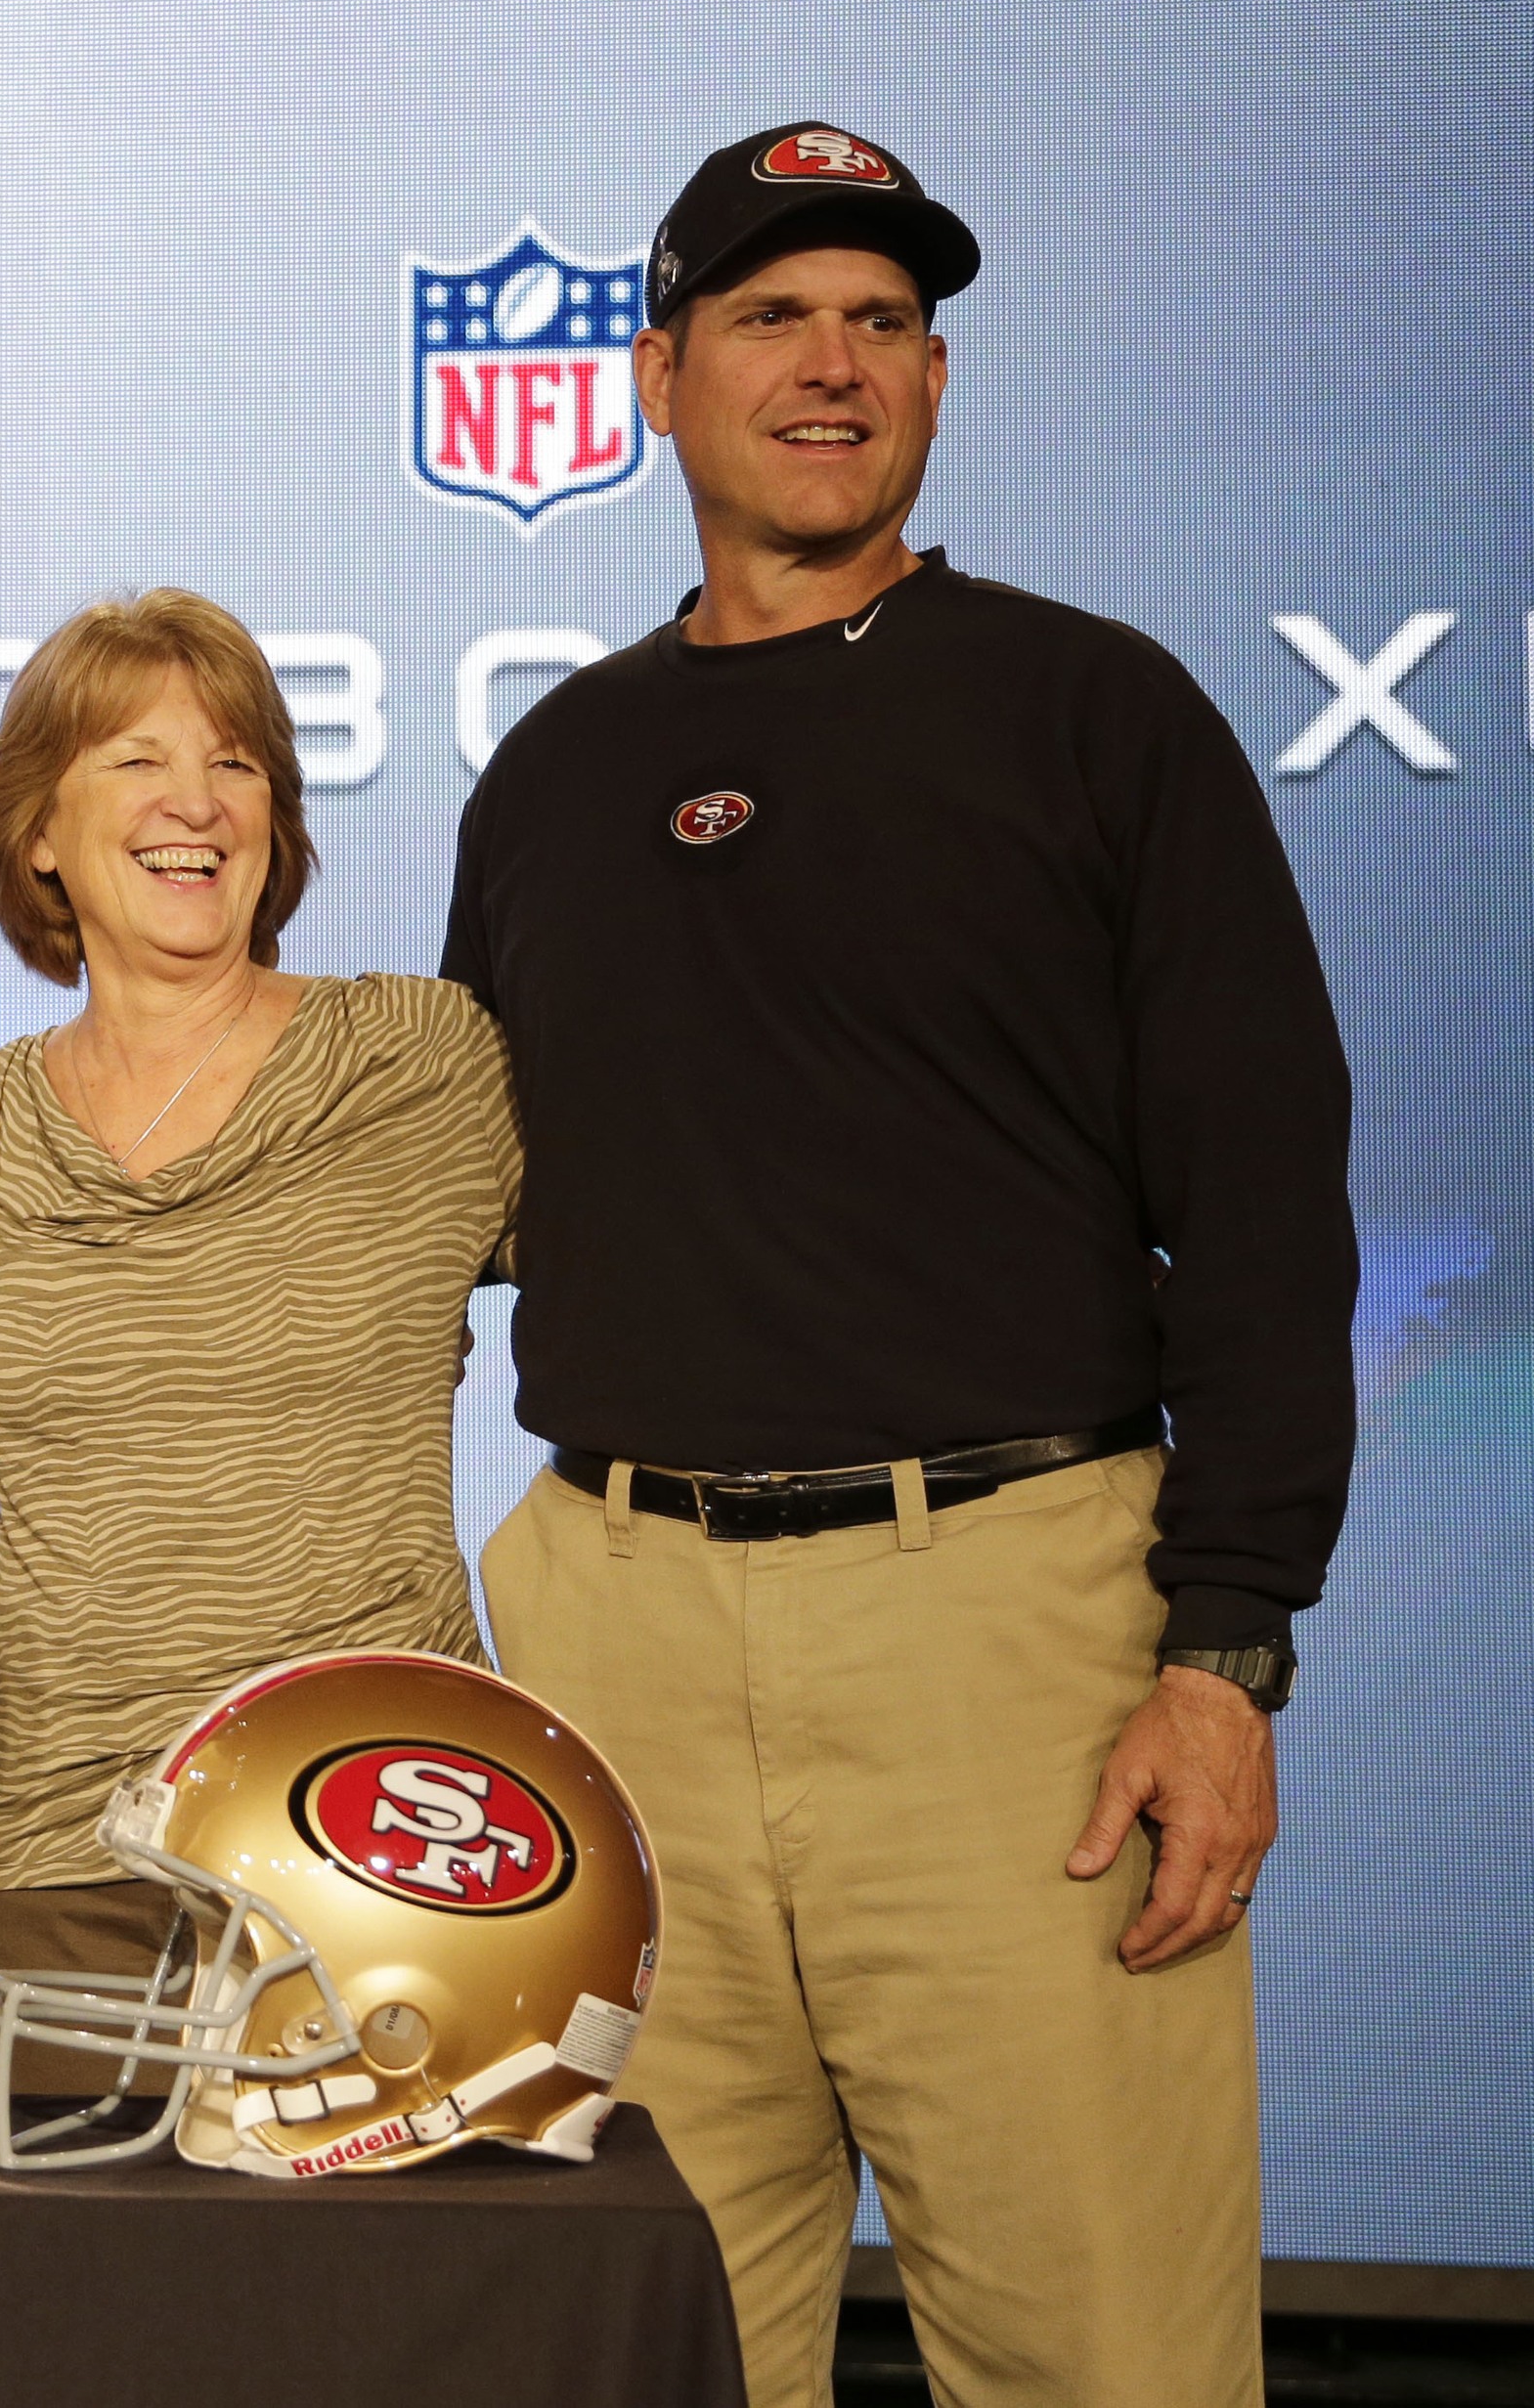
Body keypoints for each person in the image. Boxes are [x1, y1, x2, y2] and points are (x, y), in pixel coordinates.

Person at [446, 122, 1352, 2408]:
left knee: (1102, 2357)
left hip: (1010, 1624)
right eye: (772, 316)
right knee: (637, 2344)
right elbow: (446, 1200)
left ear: (936, 381)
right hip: (613, 1629)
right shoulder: (553, 772)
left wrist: (1226, 1645)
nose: (831, 363)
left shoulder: (1095, 710)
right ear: (660, 376)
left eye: (881, 322)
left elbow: (1261, 1197)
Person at [0, 588, 519, 2046]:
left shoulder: (422, 1065)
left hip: (391, 1833)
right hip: (67, 1859)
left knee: (401, 2281)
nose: (194, 802)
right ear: (37, 830)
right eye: (133, 759)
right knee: (103, 2283)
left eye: (235, 763)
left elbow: (656, 1299)